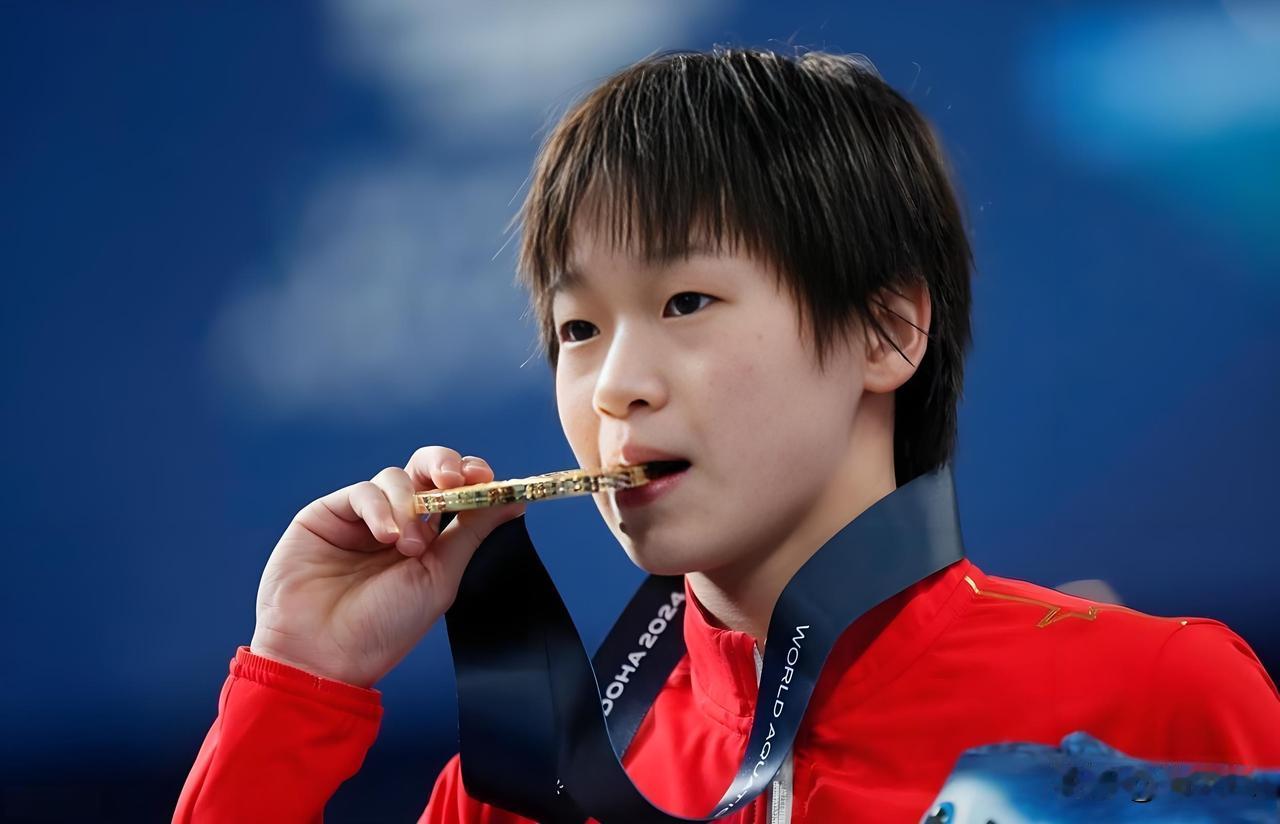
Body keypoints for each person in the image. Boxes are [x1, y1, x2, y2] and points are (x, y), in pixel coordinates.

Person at [173, 48, 1280, 823]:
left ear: (887, 331)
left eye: (686, 302)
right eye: (576, 328)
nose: (614, 386)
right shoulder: (525, 790)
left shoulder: (1151, 702)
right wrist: (297, 678)